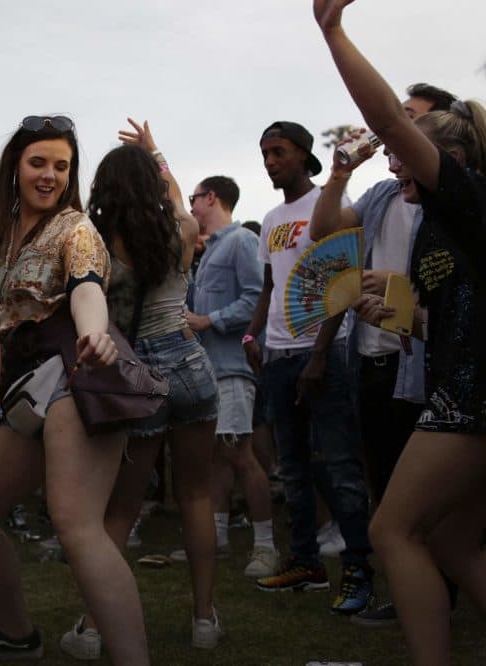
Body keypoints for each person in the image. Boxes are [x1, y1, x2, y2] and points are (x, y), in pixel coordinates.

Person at [316, 1, 486, 662]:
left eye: (411, 150)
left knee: (392, 530)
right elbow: (454, 315)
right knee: (450, 543)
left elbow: (386, 117)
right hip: (459, 382)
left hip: (471, 400)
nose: (393, 158)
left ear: (451, 159)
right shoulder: (439, 228)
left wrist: (332, 32)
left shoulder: (469, 198)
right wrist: (406, 316)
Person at [0, 115, 148, 666]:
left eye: (61, 166)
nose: (50, 175)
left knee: (76, 523)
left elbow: (87, 287)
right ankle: (18, 638)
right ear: (15, 165)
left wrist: (94, 333)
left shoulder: (75, 229)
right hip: (19, 389)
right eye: (38, 162)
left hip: (77, 371)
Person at [61, 123, 221, 661]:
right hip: (191, 363)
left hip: (139, 381)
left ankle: (90, 627)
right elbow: (176, 195)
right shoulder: (181, 227)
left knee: (120, 510)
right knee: (198, 495)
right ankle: (204, 618)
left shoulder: (99, 245)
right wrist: (155, 152)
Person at [310, 81, 458, 628]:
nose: (397, 127)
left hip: (431, 359)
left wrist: (402, 299)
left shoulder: (456, 200)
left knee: (427, 502)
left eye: (411, 117)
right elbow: (325, 233)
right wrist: (341, 174)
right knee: (388, 483)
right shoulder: (382, 196)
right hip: (372, 358)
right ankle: (421, 595)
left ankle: (438, 594)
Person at [243, 119, 374, 614]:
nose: (270, 162)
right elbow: (270, 287)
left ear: (303, 155)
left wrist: (321, 351)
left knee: (338, 466)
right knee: (293, 468)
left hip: (323, 353)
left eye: (278, 152)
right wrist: (254, 335)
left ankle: (360, 569)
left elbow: (342, 280)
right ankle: (306, 563)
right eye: (265, 153)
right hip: (276, 355)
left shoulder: (329, 208)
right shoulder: (272, 217)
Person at [186, 174, 278, 578]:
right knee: (216, 460)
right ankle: (217, 538)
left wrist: (208, 319)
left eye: (194, 199)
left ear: (212, 198)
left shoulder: (242, 241)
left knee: (241, 455)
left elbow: (259, 296)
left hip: (232, 369)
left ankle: (265, 547)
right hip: (210, 369)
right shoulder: (207, 251)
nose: (191, 208)